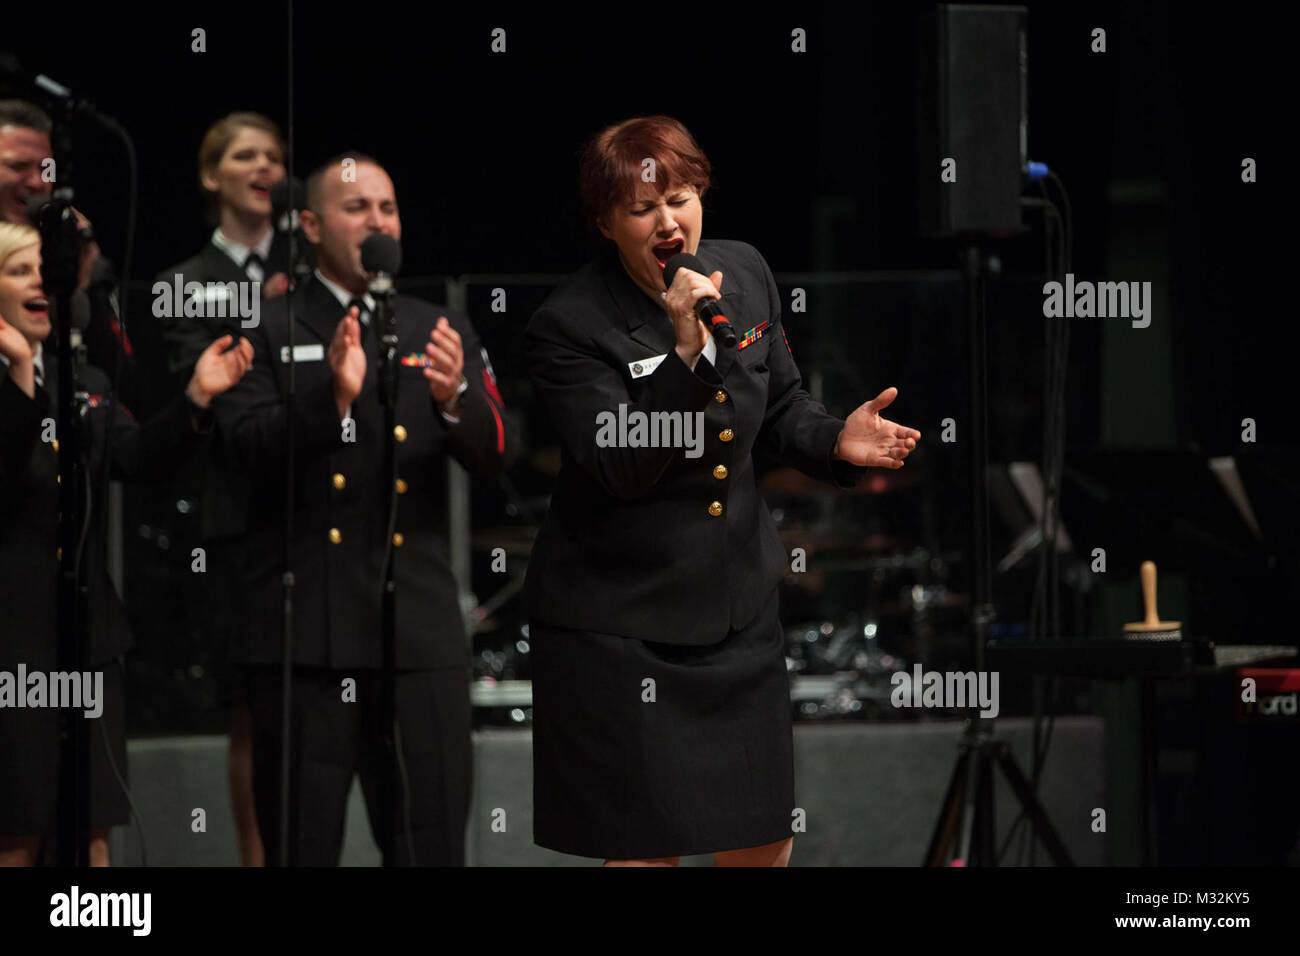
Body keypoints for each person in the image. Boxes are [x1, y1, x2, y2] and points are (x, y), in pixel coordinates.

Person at [523, 115, 922, 867]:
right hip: (620, 629)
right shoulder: (568, 325)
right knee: (645, 850)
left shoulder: (743, 272)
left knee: (764, 836)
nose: (668, 221)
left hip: (738, 613)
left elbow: (777, 407)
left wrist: (834, 438)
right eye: (643, 209)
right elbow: (623, 461)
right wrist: (682, 354)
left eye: (680, 197)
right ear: (607, 222)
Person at [214, 152, 514, 866]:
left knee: (432, 845)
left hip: (417, 638)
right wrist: (332, 401)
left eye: (387, 208)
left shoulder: (434, 326)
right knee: (301, 846)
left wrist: (453, 400)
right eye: (357, 208)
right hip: (306, 637)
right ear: (312, 225)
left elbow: (497, 450)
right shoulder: (268, 325)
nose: (377, 221)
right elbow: (240, 447)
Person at [0, 222, 254, 866]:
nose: (40, 284)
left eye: (46, 273)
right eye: (19, 271)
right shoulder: (32, 377)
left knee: (91, 825)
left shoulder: (78, 375)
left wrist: (197, 397)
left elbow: (137, 456)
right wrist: (23, 375)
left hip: (85, 631)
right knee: (17, 826)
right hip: (9, 642)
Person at [156, 111, 293, 867]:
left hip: (320, 511)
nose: (263, 166)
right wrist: (264, 310)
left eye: (274, 155)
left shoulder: (312, 267)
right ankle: (254, 861)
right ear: (213, 176)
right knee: (252, 709)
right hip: (241, 519)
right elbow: (193, 389)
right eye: (245, 156)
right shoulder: (185, 284)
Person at [0, 99, 144, 413]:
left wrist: (80, 281)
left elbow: (124, 382)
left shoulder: (78, 253)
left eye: (44, 168)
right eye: (17, 166)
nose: (37, 183)